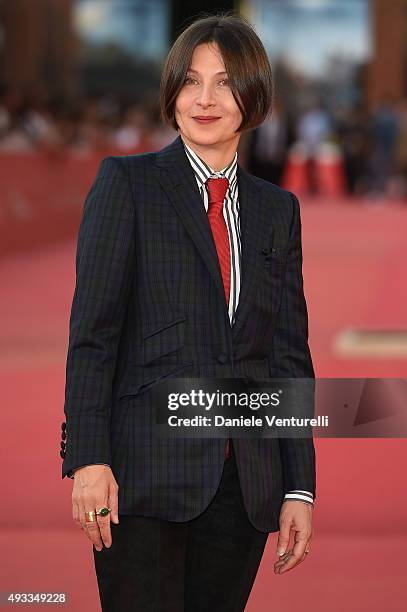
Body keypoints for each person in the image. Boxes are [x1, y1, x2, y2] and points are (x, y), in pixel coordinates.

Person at [59, 12, 316, 612]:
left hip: (243, 487)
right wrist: (88, 461)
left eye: (225, 82)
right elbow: (92, 337)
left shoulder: (277, 211)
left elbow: (287, 357)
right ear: (171, 93)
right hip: (140, 480)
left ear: (253, 98)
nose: (205, 99)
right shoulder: (127, 185)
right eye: (191, 81)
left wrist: (297, 485)